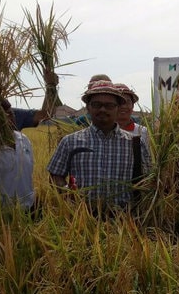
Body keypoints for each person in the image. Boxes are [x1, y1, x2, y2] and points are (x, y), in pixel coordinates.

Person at [47, 80, 151, 209]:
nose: (103, 109)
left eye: (109, 105)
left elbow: (147, 180)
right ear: (88, 107)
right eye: (97, 104)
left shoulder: (135, 143)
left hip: (124, 220)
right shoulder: (70, 142)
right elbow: (56, 175)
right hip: (81, 221)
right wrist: (68, 195)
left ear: (117, 108)